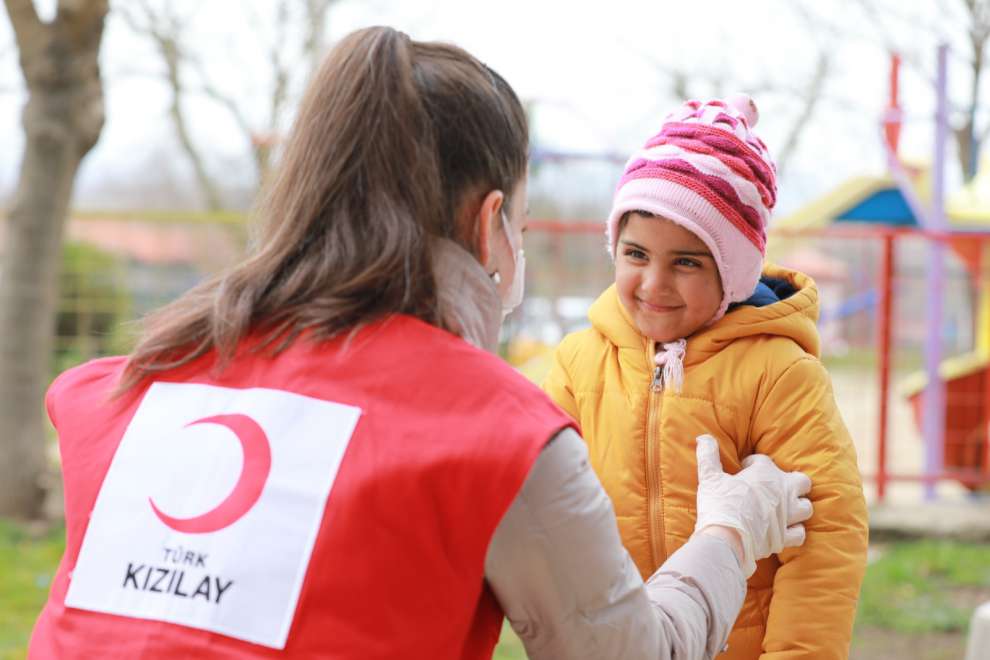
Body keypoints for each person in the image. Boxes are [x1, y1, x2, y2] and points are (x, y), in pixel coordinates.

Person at [29, 28, 813, 660]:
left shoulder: (140, 382)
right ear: (490, 223)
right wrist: (732, 530)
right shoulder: (496, 435)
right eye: (524, 229)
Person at [543, 95, 869, 659]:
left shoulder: (779, 373)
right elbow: (545, 510)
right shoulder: (579, 363)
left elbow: (824, 538)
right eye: (636, 253)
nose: (653, 283)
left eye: (687, 262)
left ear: (735, 272)